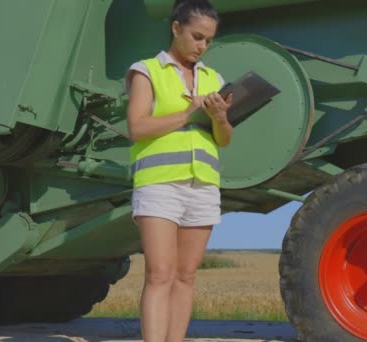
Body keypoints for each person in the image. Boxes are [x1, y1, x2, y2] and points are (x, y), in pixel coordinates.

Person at [125, 0, 233, 341]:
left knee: (186, 276)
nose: (202, 46)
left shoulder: (213, 79)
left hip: (202, 185)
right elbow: (137, 128)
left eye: (209, 40)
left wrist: (219, 118)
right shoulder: (146, 71)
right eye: (197, 36)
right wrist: (189, 113)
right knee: (160, 274)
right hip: (159, 185)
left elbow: (224, 140)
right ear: (176, 28)